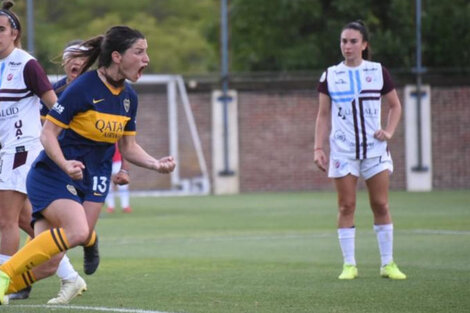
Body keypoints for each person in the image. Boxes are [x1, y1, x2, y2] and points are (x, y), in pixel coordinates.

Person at [0, 25, 176, 304]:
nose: (146, 59)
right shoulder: (83, 87)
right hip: (55, 172)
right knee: (78, 231)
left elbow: (128, 147)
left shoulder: (129, 98)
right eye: (139, 52)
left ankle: (18, 282)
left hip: (96, 177)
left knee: (49, 263)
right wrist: (65, 163)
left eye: (146, 53)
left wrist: (156, 164)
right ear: (117, 56)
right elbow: (47, 134)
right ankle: (4, 274)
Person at [0, 0, 84, 304]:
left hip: (24, 148)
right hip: (7, 150)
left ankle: (3, 285)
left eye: (1, 29)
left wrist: (67, 144)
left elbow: (55, 106)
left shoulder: (26, 64)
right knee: (25, 221)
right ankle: (71, 278)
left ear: (14, 34)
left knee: (4, 220)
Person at [314, 20, 406, 280]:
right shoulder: (330, 75)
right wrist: (318, 147)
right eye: (344, 41)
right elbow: (322, 115)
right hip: (343, 152)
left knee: (380, 203)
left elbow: (395, 106)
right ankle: (349, 265)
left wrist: (388, 132)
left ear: (364, 45)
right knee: (346, 206)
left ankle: (388, 264)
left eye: (353, 41)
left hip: (374, 151)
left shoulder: (378, 72)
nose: (348, 46)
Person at [105, 143, 133, 213]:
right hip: (107, 162)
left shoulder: (119, 137)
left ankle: (125, 206)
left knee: (123, 184)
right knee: (107, 184)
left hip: (118, 162)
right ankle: (110, 206)